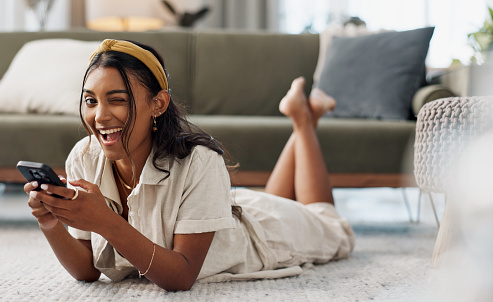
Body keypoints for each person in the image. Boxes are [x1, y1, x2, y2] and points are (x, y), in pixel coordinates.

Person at [24, 39, 354, 291]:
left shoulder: (200, 162)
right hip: (225, 211)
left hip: (261, 238)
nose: (99, 116)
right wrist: (50, 222)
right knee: (269, 197)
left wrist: (105, 221)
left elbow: (181, 276)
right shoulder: (84, 155)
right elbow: (87, 270)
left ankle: (302, 120)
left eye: (117, 100)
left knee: (331, 223)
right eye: (90, 100)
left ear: (158, 103)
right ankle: (303, 117)